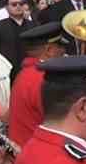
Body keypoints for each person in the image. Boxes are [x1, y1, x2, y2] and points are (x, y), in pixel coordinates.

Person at [7, 22, 68, 150]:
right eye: (60, 47)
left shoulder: (26, 73)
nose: (64, 51)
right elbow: (62, 124)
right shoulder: (44, 79)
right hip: (40, 154)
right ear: (49, 50)